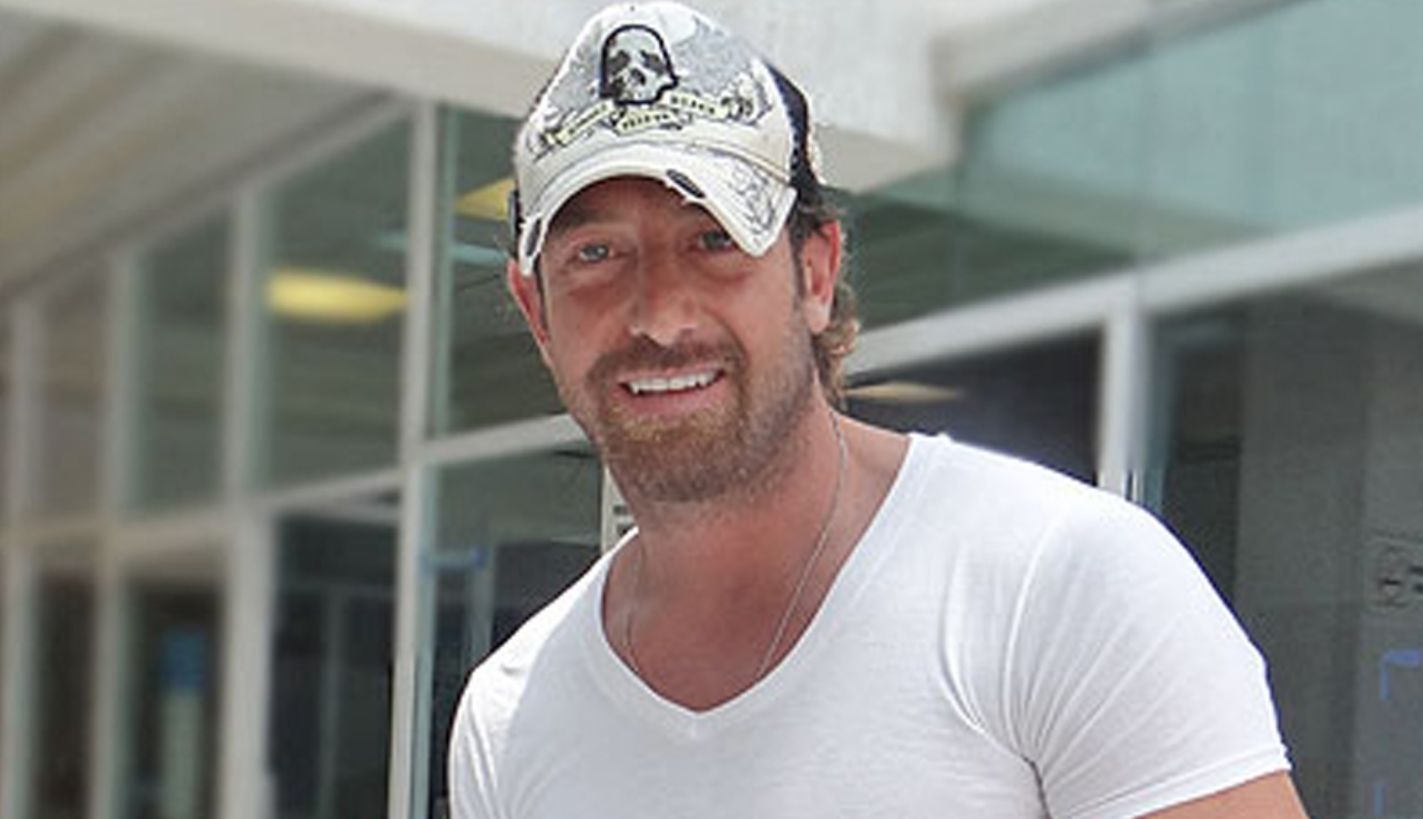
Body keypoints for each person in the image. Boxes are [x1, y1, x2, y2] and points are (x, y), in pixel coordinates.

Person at [448, 3, 1308, 817]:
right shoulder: (511, 714)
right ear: (537, 312)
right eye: (596, 254)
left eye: (715, 239)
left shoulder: (1061, 584)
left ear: (815, 273)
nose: (661, 314)